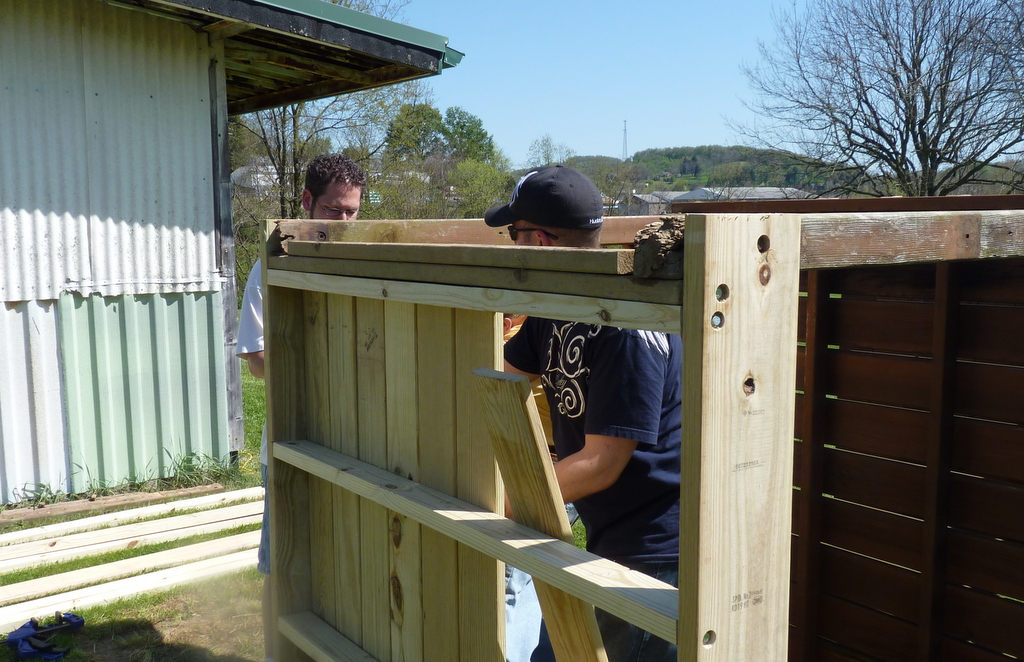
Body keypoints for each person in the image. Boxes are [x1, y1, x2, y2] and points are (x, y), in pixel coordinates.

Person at [486, 165, 682, 662]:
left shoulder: (627, 326)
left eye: (514, 235)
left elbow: (602, 462)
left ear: (543, 241)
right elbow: (498, 373)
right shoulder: (560, 305)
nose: (513, 246)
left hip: (652, 554)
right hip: (606, 534)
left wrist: (496, 502)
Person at [236, 153, 367, 662]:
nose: (344, 222)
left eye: (353, 212)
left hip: (354, 448)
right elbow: (258, 361)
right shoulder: (271, 264)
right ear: (308, 201)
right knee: (285, 565)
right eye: (335, 211)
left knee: (346, 565)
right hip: (291, 441)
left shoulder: (364, 263)